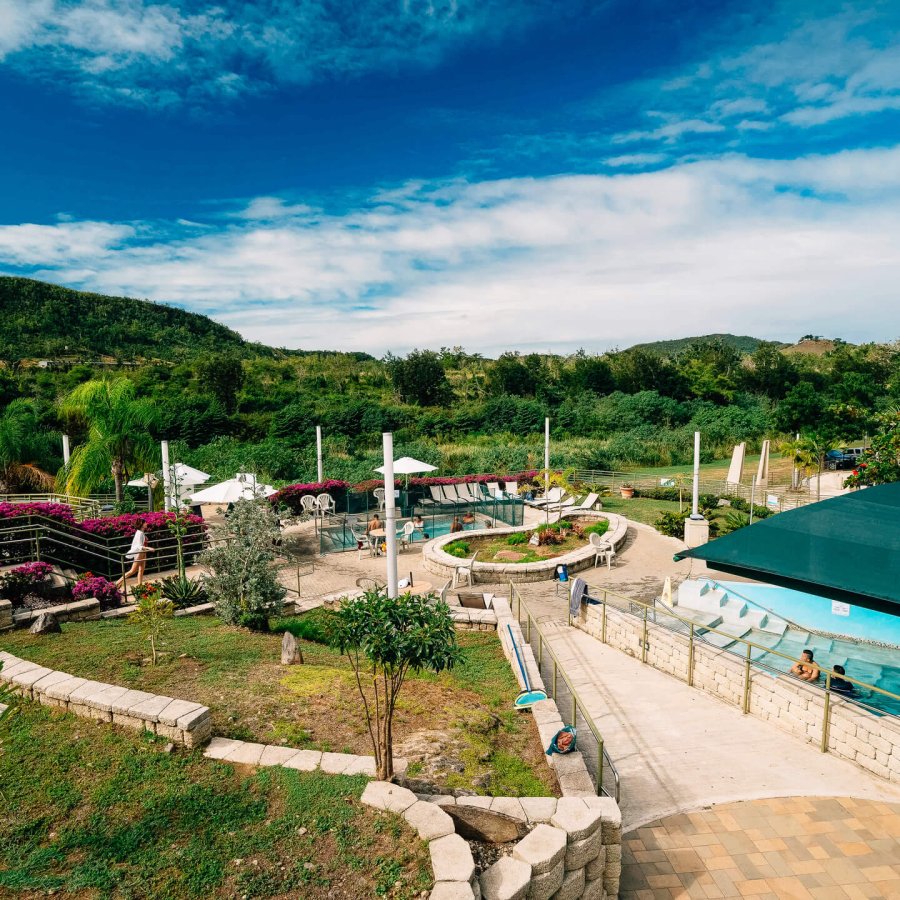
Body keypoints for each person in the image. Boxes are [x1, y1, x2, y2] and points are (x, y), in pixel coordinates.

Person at [117, 525, 155, 595]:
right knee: (132, 571)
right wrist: (149, 548)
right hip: (140, 553)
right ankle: (117, 584)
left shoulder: (141, 532)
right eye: (145, 523)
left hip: (143, 553)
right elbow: (138, 546)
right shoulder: (139, 533)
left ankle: (140, 587)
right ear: (142, 524)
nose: (147, 524)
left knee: (141, 570)